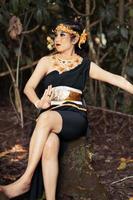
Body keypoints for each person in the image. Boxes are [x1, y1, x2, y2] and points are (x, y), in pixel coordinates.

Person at [0, 19, 133, 200]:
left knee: (46, 119)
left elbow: (117, 80)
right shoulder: (46, 61)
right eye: (56, 34)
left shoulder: (85, 65)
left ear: (75, 39)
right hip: (49, 116)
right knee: (49, 144)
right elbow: (28, 88)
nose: (57, 38)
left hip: (73, 117)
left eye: (63, 35)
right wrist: (40, 103)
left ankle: (25, 180)